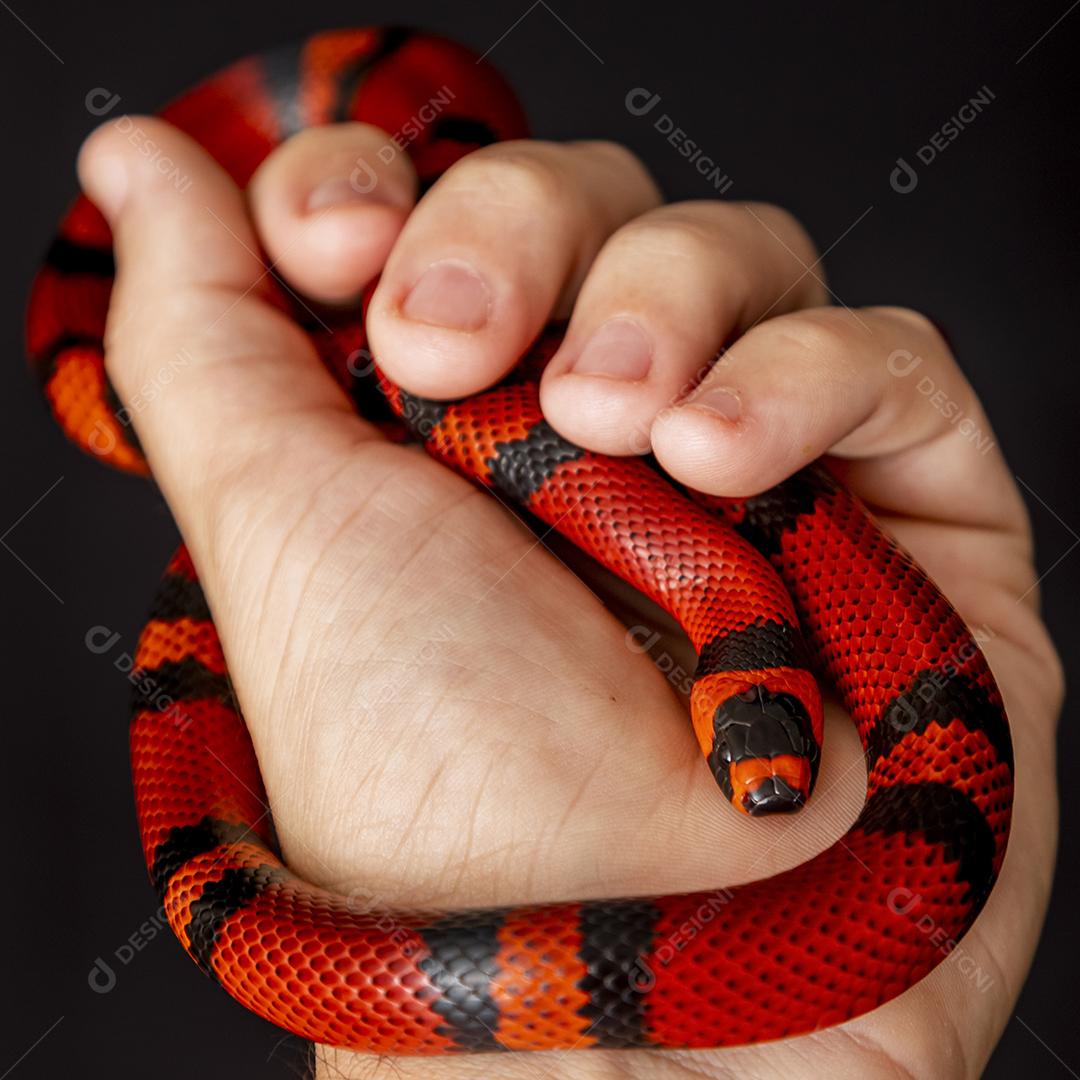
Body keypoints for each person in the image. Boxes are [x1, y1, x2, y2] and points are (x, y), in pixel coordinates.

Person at [78, 115, 1061, 1079]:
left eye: (750, 758)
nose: (764, 786)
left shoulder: (758, 593)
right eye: (756, 755)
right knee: (626, 406)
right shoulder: (745, 582)